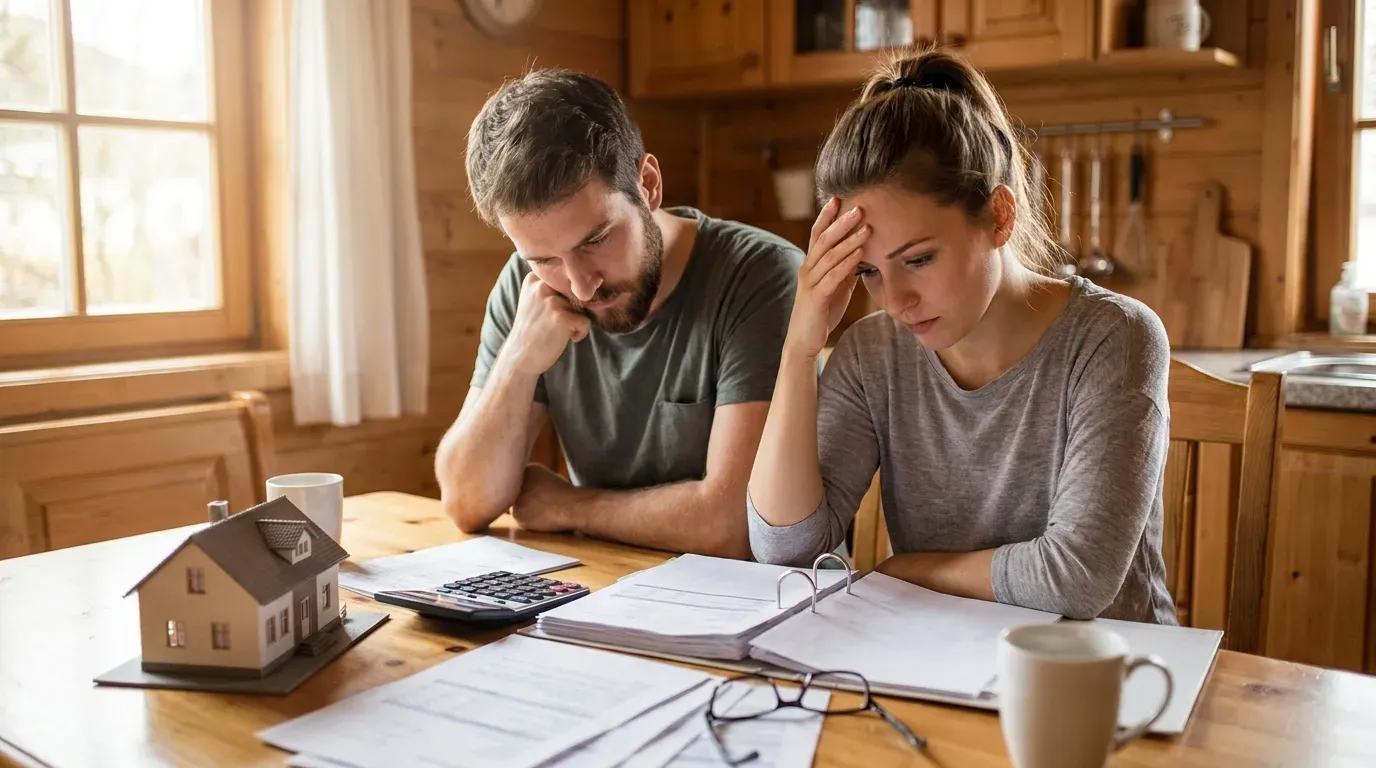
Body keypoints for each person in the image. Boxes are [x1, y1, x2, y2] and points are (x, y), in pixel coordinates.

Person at [746, 49, 1176, 624]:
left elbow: (1077, 578)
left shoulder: (1115, 337)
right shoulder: (871, 354)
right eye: (869, 271)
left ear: (999, 217)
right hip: (938, 661)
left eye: (918, 259)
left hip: (1106, 675)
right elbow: (785, 549)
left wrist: (909, 569)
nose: (895, 302)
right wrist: (800, 349)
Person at [435, 68, 803, 559]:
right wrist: (518, 364)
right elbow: (465, 502)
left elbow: (734, 526)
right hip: (612, 592)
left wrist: (570, 507)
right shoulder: (530, 289)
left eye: (596, 240)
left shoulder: (761, 276)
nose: (580, 284)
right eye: (543, 259)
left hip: (768, 609)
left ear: (647, 184)